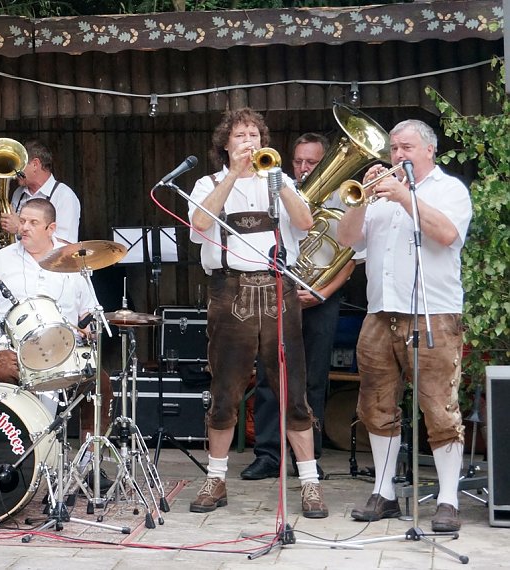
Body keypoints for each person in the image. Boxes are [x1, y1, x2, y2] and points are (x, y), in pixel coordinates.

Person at [187, 109, 328, 518]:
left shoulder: (279, 181)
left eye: (254, 134)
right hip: (229, 292)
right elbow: (198, 224)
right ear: (225, 144)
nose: (248, 141)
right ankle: (215, 479)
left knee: (292, 390)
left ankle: (309, 483)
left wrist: (278, 181)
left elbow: (304, 221)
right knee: (225, 391)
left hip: (277, 292)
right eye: (240, 135)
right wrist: (232, 175)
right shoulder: (209, 183)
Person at [337, 120, 472, 532]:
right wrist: (360, 200)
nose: (398, 155)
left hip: (434, 313)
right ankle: (385, 493)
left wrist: (406, 197)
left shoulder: (450, 190)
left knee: (439, 407)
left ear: (429, 150)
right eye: (394, 148)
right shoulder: (380, 194)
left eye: (407, 147)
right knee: (375, 406)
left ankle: (448, 499)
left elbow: (448, 234)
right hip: (380, 312)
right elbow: (345, 239)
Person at [241, 133, 358, 481]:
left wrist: (320, 293)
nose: (304, 168)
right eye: (299, 161)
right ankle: (268, 453)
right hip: (278, 294)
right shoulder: (276, 192)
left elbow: (350, 257)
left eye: (311, 162)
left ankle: (308, 457)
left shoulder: (345, 198)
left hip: (320, 299)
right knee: (267, 375)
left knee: (314, 377)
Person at [0, 198, 113, 479]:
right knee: (0, 372)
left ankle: (88, 463)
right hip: (13, 350)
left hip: (64, 351)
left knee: (101, 384)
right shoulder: (1, 260)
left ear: (51, 228)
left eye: (32, 223)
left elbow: (89, 314)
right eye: (22, 221)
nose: (23, 228)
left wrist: (90, 329)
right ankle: (14, 459)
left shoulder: (74, 259)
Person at [0, 139, 81, 245]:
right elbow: (13, 235)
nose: (14, 173)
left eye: (19, 166)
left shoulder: (65, 196)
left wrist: (19, 228)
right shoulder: (18, 193)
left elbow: (65, 245)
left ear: (35, 164)